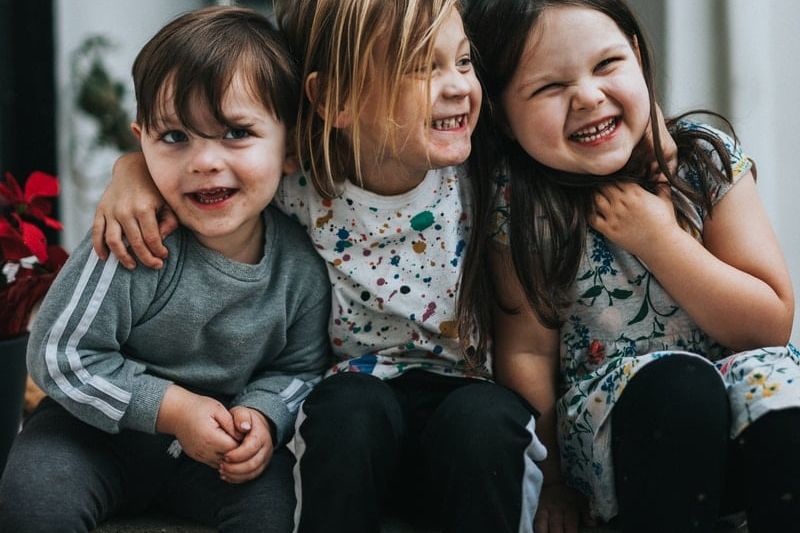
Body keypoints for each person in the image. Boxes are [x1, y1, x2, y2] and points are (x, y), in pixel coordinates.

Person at [85, 1, 564, 531]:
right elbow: (220, 168)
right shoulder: (303, 183)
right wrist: (133, 172)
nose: (457, 86)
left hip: (464, 401)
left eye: (463, 61)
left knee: (487, 420)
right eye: (419, 67)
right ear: (334, 99)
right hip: (353, 404)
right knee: (347, 411)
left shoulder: (486, 176)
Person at [462, 0, 800, 532]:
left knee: (784, 389)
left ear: (638, 58)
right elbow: (526, 351)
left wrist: (661, 240)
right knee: (680, 386)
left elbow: (769, 325)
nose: (588, 97)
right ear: (502, 115)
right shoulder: (523, 207)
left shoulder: (705, 163)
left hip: (738, 408)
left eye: (607, 65)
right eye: (549, 87)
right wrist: (550, 483)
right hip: (623, 432)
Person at [0, 7, 331, 533]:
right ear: (142, 142)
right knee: (35, 496)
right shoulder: (133, 239)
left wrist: (264, 415)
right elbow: (58, 353)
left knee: (273, 509)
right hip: (92, 435)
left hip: (215, 451)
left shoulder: (301, 270)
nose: (204, 161)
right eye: (175, 137)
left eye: (235, 133)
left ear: (290, 148)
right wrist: (173, 409)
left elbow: (301, 369)